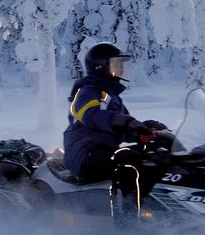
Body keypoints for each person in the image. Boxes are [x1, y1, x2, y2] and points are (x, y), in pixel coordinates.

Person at [63, 43, 170, 189]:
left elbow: (120, 127)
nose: (121, 69)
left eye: (121, 64)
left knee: (152, 157)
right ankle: (130, 204)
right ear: (100, 66)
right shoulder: (88, 91)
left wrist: (146, 129)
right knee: (130, 162)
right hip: (85, 154)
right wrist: (127, 122)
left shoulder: (111, 96)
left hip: (102, 150)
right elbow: (91, 115)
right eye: (116, 64)